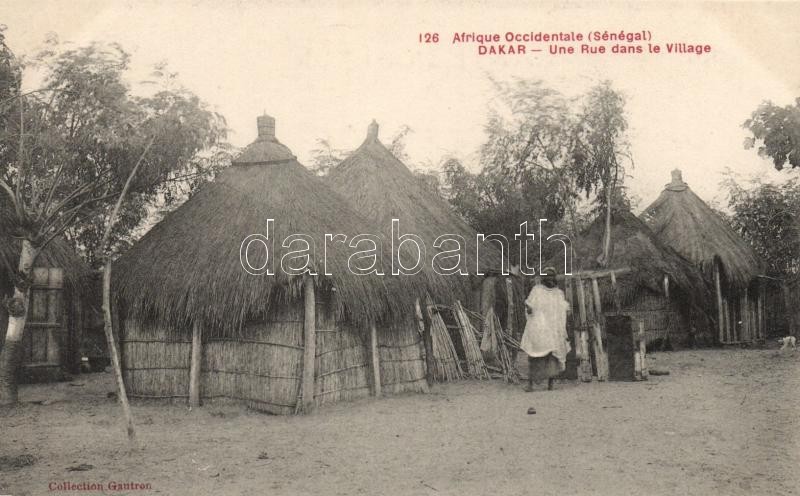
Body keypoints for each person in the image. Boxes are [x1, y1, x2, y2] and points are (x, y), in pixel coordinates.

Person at [520, 267, 571, 392]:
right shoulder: (537, 290)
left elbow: (565, 309)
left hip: (553, 329)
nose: (549, 278)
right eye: (546, 276)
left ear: (554, 278)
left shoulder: (558, 293)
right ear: (543, 278)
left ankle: (550, 384)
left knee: (552, 357)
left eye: (551, 276)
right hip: (539, 329)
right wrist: (529, 308)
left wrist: (564, 314)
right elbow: (529, 304)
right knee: (534, 355)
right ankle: (530, 384)